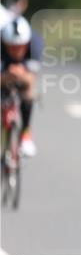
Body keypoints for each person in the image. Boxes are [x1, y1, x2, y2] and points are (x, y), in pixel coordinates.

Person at [1, 17, 39, 157]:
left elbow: (31, 78)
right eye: (12, 47)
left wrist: (21, 75)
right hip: (3, 70)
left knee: (28, 90)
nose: (16, 51)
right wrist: (5, 77)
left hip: (23, 72)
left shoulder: (34, 43)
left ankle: (25, 134)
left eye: (20, 47)